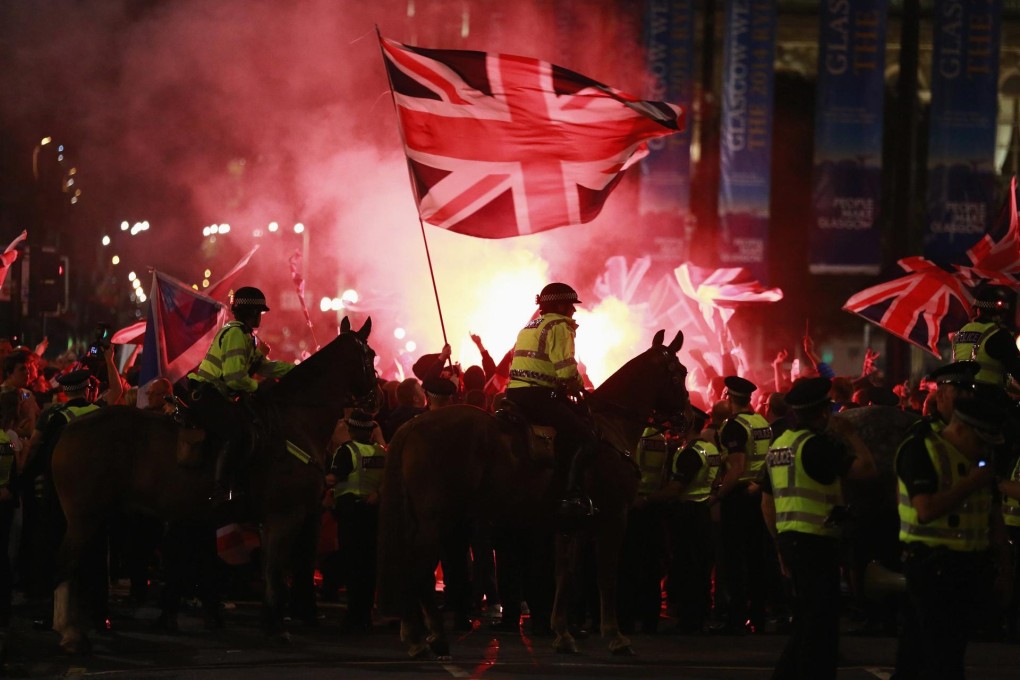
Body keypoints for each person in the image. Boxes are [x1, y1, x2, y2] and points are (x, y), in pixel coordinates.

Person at [760, 377, 876, 679]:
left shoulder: (780, 445)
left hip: (790, 540)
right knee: (820, 628)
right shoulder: (818, 446)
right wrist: (851, 435)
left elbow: (767, 501)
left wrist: (778, 543)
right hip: (816, 544)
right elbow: (867, 469)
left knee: (806, 622)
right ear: (823, 412)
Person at [893, 395, 1012, 679]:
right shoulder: (921, 450)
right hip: (930, 566)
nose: (982, 450)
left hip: (969, 566)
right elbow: (926, 509)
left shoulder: (979, 461)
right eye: (979, 441)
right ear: (960, 429)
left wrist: (1005, 569)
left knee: (933, 650)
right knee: (942, 657)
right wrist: (969, 484)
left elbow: (993, 515)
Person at [187, 286, 294, 504]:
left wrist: (299, 369)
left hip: (216, 396)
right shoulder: (236, 334)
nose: (260, 317)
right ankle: (221, 489)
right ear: (251, 312)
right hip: (208, 395)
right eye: (259, 313)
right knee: (237, 433)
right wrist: (258, 388)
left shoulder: (246, 337)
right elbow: (235, 377)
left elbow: (266, 367)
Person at [505, 282, 596, 517]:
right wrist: (579, 386)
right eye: (571, 306)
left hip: (514, 393)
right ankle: (568, 494)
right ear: (560, 305)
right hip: (540, 396)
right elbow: (565, 371)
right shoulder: (561, 326)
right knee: (584, 435)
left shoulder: (529, 326)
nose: (574, 311)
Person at [714, 375, 773, 633]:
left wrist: (717, 496)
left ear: (728, 397)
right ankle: (758, 616)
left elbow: (736, 467)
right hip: (758, 495)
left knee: (734, 560)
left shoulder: (733, 426)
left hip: (738, 498)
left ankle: (736, 619)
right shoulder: (762, 421)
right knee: (757, 558)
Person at [326, 410, 386, 633]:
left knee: (353, 564)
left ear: (351, 430)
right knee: (369, 566)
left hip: (351, 514)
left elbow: (335, 477)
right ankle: (367, 612)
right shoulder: (381, 452)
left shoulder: (346, 451)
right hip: (373, 513)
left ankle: (354, 615)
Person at [952, 285, 1020, 390]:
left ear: (978, 310)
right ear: (1003, 313)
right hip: (988, 398)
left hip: (960, 395)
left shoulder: (961, 332)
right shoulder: (1000, 335)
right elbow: (1017, 370)